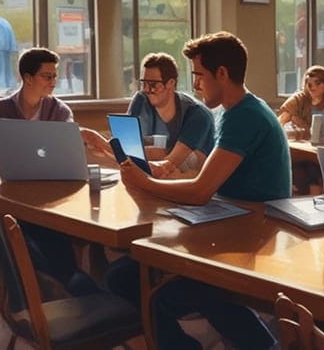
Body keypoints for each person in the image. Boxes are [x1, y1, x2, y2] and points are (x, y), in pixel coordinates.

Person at [115, 31, 290, 350]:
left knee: (148, 287)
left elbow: (200, 192)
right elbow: (204, 178)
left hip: (251, 232)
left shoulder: (245, 116)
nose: (194, 84)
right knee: (127, 274)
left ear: (221, 74)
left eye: (198, 75)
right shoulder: (230, 112)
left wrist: (145, 182)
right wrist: (162, 178)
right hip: (230, 222)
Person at [0, 47, 100, 297]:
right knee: (21, 230)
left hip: (52, 197)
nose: (53, 82)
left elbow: (69, 151)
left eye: (55, 76)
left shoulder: (59, 111)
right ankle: (50, 284)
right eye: (47, 76)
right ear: (28, 78)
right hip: (10, 192)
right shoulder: (1, 109)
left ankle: (55, 284)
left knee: (47, 232)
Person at [83, 53, 215, 175]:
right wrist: (100, 143)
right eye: (144, 83)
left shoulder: (197, 114)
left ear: (171, 83)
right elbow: (128, 148)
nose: (147, 89)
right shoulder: (141, 99)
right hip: (155, 166)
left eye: (153, 84)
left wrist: (109, 150)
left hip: (190, 175)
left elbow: (169, 164)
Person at [278, 65, 324, 132]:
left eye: (317, 83)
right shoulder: (298, 99)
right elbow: (280, 121)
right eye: (309, 83)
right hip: (305, 139)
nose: (312, 87)